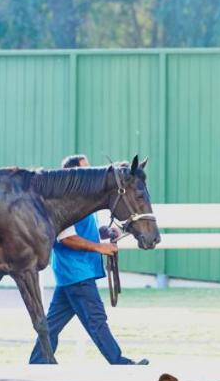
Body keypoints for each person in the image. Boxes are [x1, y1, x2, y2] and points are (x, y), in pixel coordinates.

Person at [29, 154, 148, 365]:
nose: (90, 172)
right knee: (96, 320)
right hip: (76, 272)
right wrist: (100, 247)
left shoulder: (80, 202)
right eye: (85, 168)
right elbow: (68, 239)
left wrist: (104, 232)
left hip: (72, 274)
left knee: (52, 324)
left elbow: (83, 231)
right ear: (73, 172)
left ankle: (38, 361)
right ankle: (120, 362)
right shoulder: (62, 204)